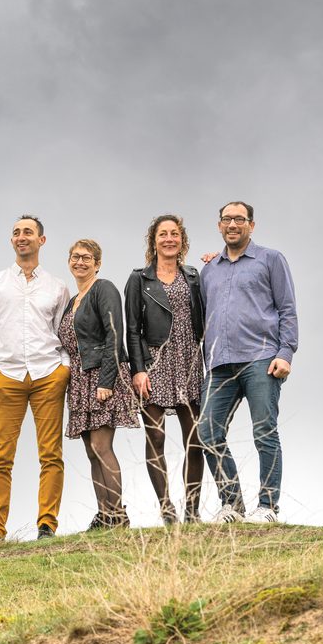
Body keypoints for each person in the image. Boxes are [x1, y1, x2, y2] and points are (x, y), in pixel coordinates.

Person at [0, 216, 72, 545]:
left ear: (41, 240)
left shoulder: (57, 287)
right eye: (16, 233)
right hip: (7, 378)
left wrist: (64, 369)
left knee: (51, 455)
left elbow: (64, 333)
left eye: (28, 232)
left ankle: (47, 526)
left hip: (48, 376)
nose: (21, 237)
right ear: (12, 241)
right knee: (1, 457)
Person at [197, 201, 298, 524]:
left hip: (261, 359)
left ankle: (267, 507)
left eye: (239, 219)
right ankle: (232, 505)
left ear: (251, 225)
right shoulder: (209, 270)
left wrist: (285, 353)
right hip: (219, 365)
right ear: (219, 225)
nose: (233, 224)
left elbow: (287, 308)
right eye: (227, 219)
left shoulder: (271, 259)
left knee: (264, 432)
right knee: (207, 432)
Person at [124, 215, 206, 524]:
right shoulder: (139, 279)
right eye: (163, 234)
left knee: (195, 439)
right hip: (154, 363)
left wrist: (214, 261)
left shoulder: (194, 276)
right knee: (155, 438)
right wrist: (138, 369)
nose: (169, 239)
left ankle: (192, 511)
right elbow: (132, 329)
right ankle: (167, 509)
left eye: (174, 234)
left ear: (182, 240)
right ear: (154, 240)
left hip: (189, 361)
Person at [56, 239, 139, 530]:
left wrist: (106, 381)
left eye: (87, 257)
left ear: (97, 263)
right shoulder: (72, 301)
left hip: (103, 376)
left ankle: (118, 516)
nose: (80, 262)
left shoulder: (103, 288)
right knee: (91, 451)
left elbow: (114, 334)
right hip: (80, 381)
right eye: (75, 257)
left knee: (102, 446)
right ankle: (104, 516)